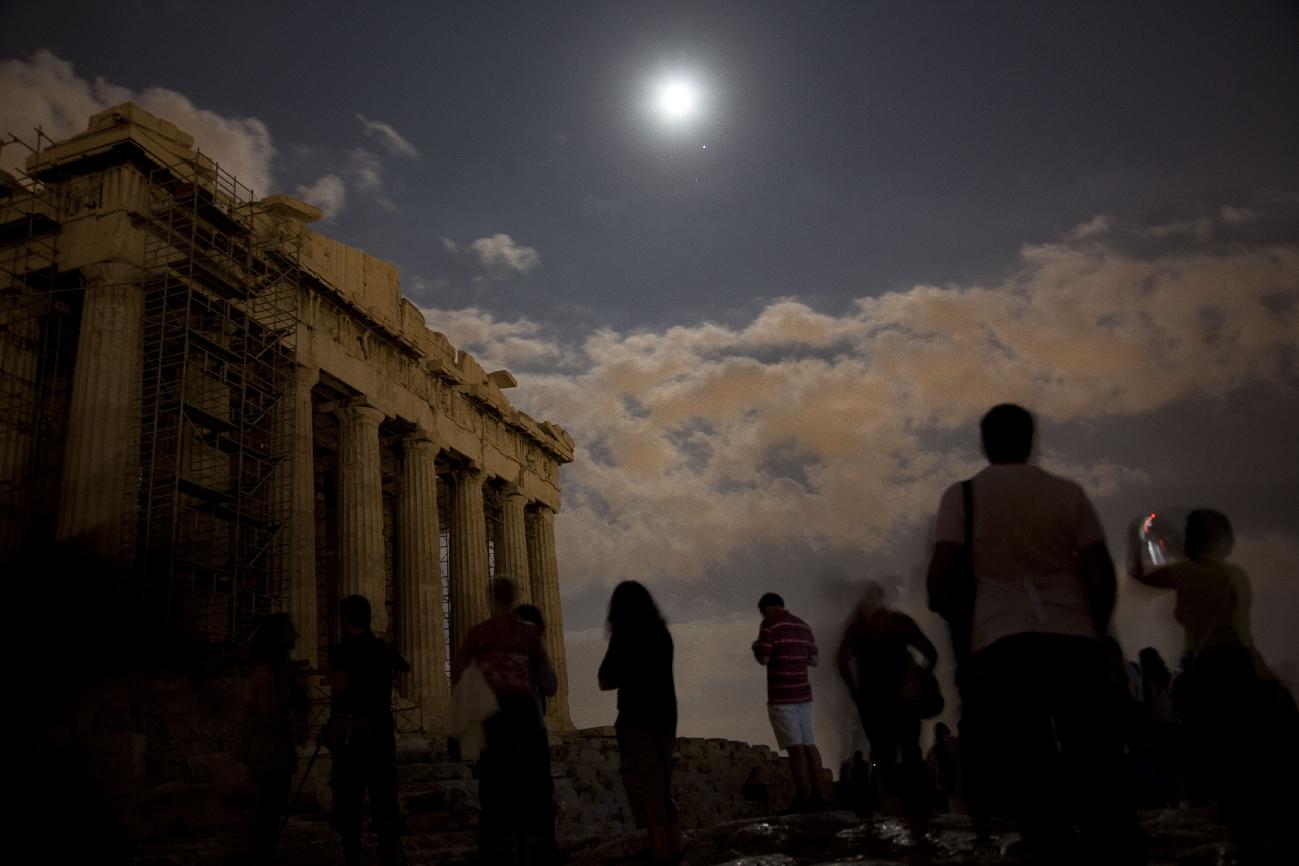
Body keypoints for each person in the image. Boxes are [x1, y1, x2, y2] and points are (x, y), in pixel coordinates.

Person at [926, 403, 1142, 865]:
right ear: (1031, 440)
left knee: (1029, 755)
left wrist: (960, 628)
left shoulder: (963, 496)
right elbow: (1100, 570)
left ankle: (1051, 843)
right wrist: (1097, 629)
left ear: (985, 443)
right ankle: (1111, 843)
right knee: (1093, 751)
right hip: (1073, 635)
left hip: (1003, 638)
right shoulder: (1067, 494)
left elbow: (942, 574)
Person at [1130, 509, 1297, 861]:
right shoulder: (1235, 575)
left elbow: (1140, 575)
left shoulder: (1182, 572)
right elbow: (1241, 631)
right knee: (1242, 750)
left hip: (1204, 669)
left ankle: (1223, 816)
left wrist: (1138, 536)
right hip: (1238, 667)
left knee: (1210, 747)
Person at [453, 577, 557, 866]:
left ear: (492, 598)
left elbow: (459, 679)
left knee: (495, 806)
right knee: (530, 805)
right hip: (525, 724)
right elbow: (549, 683)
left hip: (494, 727)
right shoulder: (528, 636)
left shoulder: (478, 635)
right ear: (513, 598)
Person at [837, 581, 938, 837]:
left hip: (877, 702)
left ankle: (903, 808)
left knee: (887, 756)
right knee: (905, 752)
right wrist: (915, 681)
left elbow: (841, 661)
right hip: (894, 701)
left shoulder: (861, 628)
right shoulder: (894, 623)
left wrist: (855, 693)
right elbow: (930, 653)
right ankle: (917, 812)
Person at [598, 581, 683, 865]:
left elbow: (604, 680)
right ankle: (675, 852)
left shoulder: (624, 636)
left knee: (648, 793)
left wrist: (629, 677)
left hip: (636, 720)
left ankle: (661, 855)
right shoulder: (663, 634)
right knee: (664, 790)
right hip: (666, 719)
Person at [327, 594, 408, 866]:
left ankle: (352, 857)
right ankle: (389, 856)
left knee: (350, 803)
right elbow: (402, 667)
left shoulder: (342, 651)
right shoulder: (381, 649)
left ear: (347, 618)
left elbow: (339, 689)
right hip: (382, 732)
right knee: (384, 801)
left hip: (353, 732)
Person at [240, 612, 308, 865]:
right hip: (268, 746)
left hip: (274, 744)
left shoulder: (280, 666)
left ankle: (263, 853)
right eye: (290, 630)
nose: (296, 635)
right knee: (268, 808)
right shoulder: (268, 668)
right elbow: (266, 708)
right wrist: (293, 694)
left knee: (272, 806)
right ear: (279, 635)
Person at [751, 592, 826, 811]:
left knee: (795, 750)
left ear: (763, 609)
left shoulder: (769, 625)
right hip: (803, 694)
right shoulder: (802, 625)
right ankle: (819, 795)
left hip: (782, 697)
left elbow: (764, 657)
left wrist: (757, 647)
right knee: (809, 745)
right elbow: (814, 660)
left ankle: (803, 798)